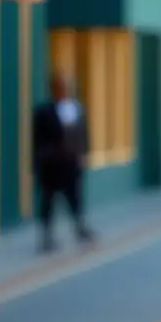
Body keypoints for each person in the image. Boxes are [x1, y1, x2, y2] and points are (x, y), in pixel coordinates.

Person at [32, 72, 95, 253]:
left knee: (75, 197)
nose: (63, 90)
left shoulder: (76, 109)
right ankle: (46, 236)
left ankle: (80, 227)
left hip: (71, 163)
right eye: (59, 87)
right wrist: (40, 162)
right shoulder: (43, 112)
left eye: (65, 86)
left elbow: (83, 134)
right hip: (52, 166)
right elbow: (37, 141)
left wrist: (84, 155)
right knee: (48, 201)